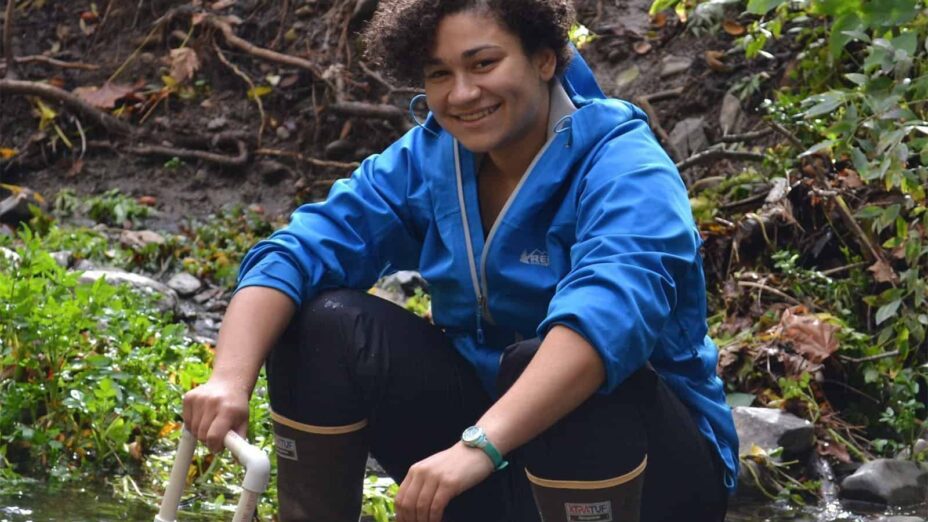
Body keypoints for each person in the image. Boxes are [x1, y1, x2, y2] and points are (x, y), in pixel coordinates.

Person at [182, 1, 739, 521]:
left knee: (544, 362)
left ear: (546, 58)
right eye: (439, 74)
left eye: (483, 63)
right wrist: (230, 379)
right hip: (487, 460)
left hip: (648, 478)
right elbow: (302, 247)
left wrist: (481, 444)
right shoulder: (431, 157)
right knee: (322, 321)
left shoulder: (626, 166)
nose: (462, 93)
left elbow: (607, 317)